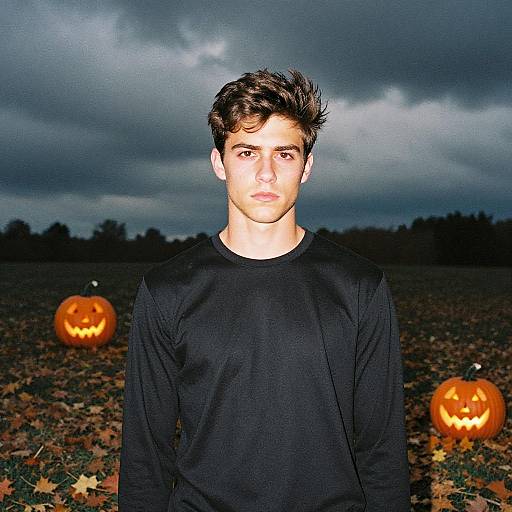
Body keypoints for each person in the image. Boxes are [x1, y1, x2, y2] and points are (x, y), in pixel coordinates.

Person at [118, 69, 411, 512]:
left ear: (307, 166)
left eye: (285, 154)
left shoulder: (358, 286)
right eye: (247, 152)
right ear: (219, 162)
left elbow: (383, 449)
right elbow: (145, 455)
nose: (267, 173)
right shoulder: (167, 290)